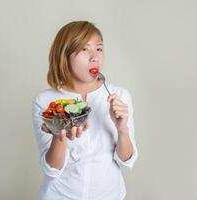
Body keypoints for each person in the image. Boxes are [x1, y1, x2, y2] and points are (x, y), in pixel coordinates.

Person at [32, 21, 138, 200]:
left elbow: (126, 160)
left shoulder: (119, 96)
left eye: (99, 49)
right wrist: (60, 135)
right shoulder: (45, 102)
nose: (95, 57)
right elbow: (52, 170)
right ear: (64, 55)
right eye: (84, 49)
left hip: (109, 195)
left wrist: (122, 129)